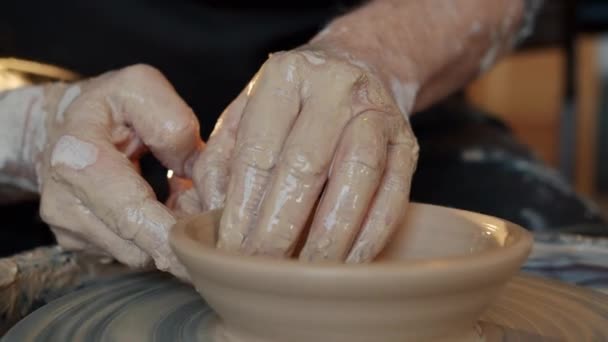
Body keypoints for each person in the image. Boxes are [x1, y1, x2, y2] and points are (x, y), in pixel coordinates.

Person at [0, 1, 551, 279]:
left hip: (371, 104)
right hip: (65, 122)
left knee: (549, 259)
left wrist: (378, 53)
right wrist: (30, 129)